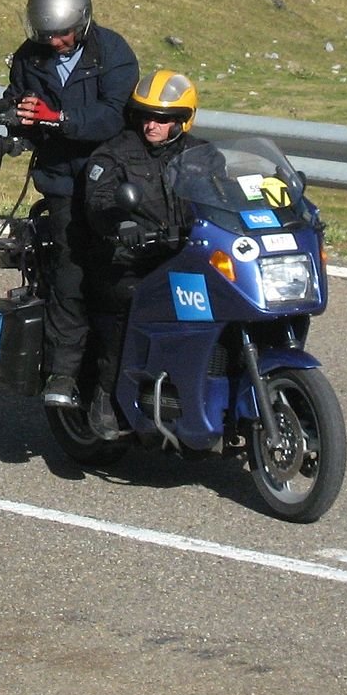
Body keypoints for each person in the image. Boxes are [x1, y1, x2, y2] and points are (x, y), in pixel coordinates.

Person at [3, 0, 139, 408]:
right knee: (71, 272)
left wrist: (59, 119)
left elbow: (115, 116)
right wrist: (18, 122)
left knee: (122, 278)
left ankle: (115, 378)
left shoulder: (113, 52)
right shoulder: (29, 57)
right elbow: (17, 97)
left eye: (62, 35)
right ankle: (62, 374)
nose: (55, 43)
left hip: (112, 179)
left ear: (81, 23)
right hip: (63, 180)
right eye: (47, 36)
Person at [83, 70, 206, 438]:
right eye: (146, 115)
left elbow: (228, 195)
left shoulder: (203, 155)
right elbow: (98, 200)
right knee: (130, 306)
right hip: (130, 262)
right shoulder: (116, 153)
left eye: (163, 119)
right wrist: (121, 225)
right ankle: (105, 393)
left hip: (185, 257)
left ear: (182, 121)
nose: (152, 124)